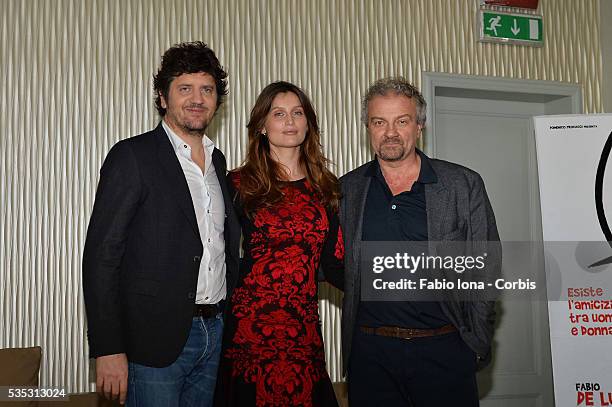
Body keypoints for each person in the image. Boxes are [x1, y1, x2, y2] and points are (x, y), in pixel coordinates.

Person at [82, 41, 240, 406]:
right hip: (153, 344)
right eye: (185, 88)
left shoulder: (220, 164)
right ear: (163, 96)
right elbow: (101, 257)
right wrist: (108, 349)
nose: (197, 99)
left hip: (215, 332)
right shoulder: (132, 156)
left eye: (207, 89)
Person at [339, 77, 501, 406]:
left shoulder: (462, 185)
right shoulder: (347, 190)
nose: (390, 133)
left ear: (420, 125)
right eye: (379, 122)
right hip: (371, 358)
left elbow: (487, 268)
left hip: (444, 351)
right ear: (367, 127)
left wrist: (475, 344)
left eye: (402, 121)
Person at [215, 81, 344, 407]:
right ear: (261, 125)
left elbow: (337, 263)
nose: (290, 121)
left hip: (303, 330)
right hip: (250, 329)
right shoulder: (238, 184)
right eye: (279, 113)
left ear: (308, 123)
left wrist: (394, 286)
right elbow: (216, 254)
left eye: (298, 113)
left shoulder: (326, 188)